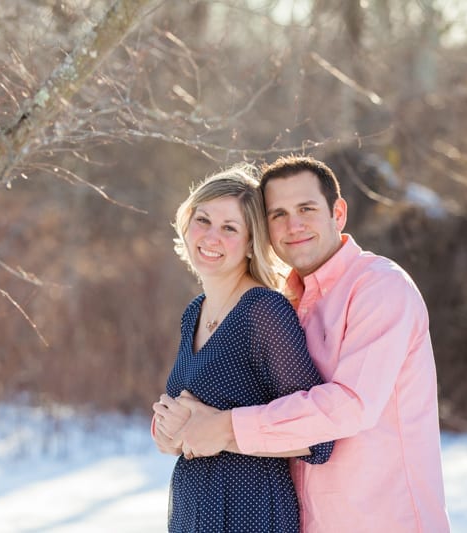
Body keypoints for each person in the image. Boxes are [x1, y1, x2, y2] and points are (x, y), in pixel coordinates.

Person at [154, 155, 451, 532]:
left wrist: (224, 429)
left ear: (337, 213)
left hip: (380, 519)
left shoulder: (379, 287)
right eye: (278, 214)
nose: (293, 225)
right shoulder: (292, 301)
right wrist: (173, 429)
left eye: (306, 208)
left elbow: (351, 404)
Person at [151, 164, 333, 533]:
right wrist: (168, 432)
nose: (211, 236)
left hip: (249, 508)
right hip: (193, 509)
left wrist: (218, 433)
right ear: (186, 223)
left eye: (229, 228)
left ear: (251, 242)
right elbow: (189, 413)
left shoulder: (263, 310)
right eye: (203, 219)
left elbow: (317, 438)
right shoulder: (194, 312)